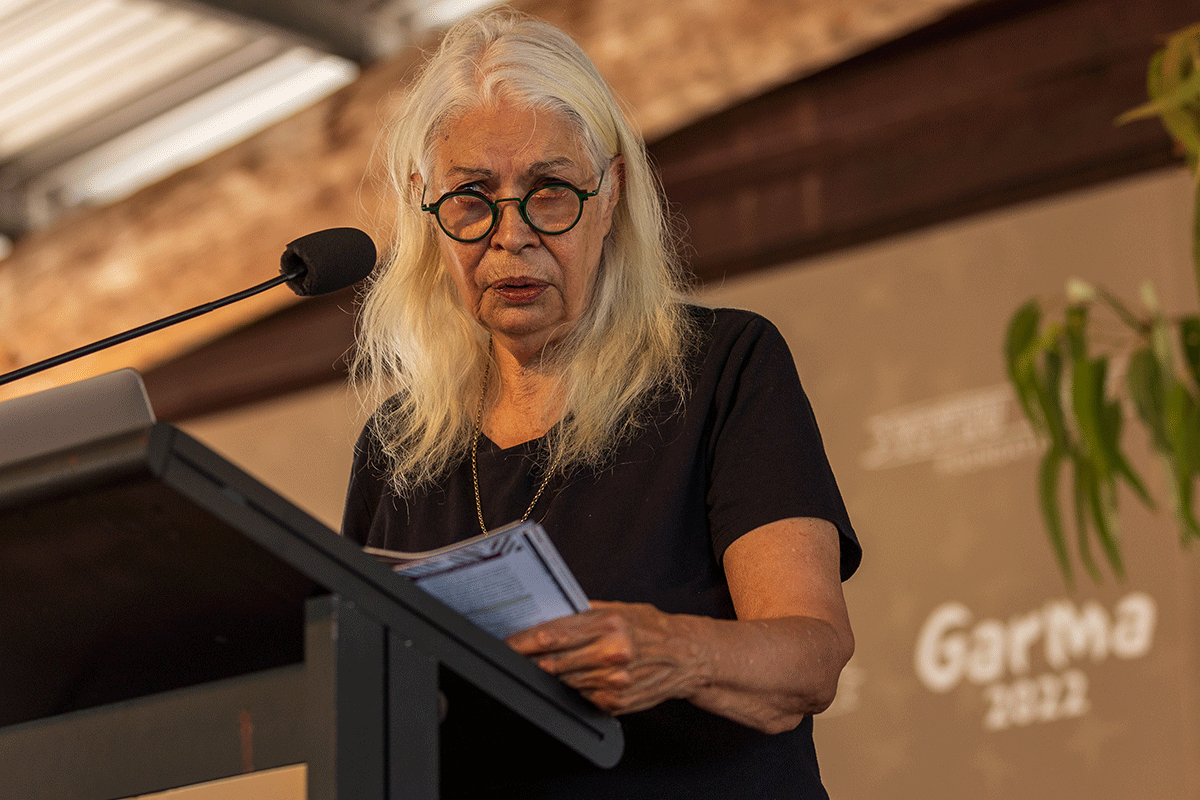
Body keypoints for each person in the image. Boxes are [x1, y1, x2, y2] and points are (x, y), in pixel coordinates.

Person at [342, 9, 861, 798]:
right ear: (425, 207)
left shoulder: (722, 367)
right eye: (471, 198)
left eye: (550, 192)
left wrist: (675, 650)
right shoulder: (395, 446)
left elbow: (812, 659)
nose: (511, 235)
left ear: (610, 191)